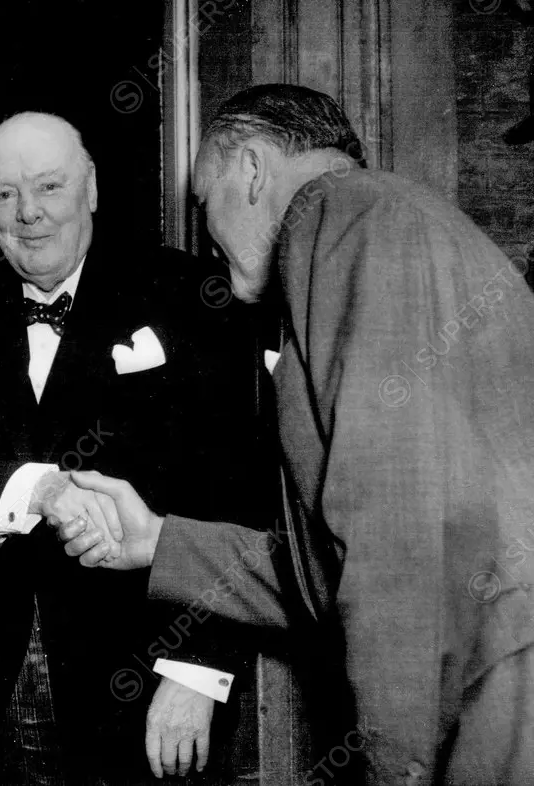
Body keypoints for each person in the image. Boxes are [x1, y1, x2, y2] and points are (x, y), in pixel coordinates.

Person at [56, 84, 534, 785]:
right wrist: (155, 539)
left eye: (204, 200)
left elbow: (393, 538)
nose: (202, 232)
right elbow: (326, 572)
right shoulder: (384, 221)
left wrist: (395, 767)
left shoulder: (343, 213)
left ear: (250, 170)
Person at [0, 111, 274, 784]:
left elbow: (244, 484)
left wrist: (198, 671)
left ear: (90, 189)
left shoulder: (189, 295)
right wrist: (27, 489)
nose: (29, 213)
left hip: (144, 679)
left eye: (49, 187)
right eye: (5, 194)